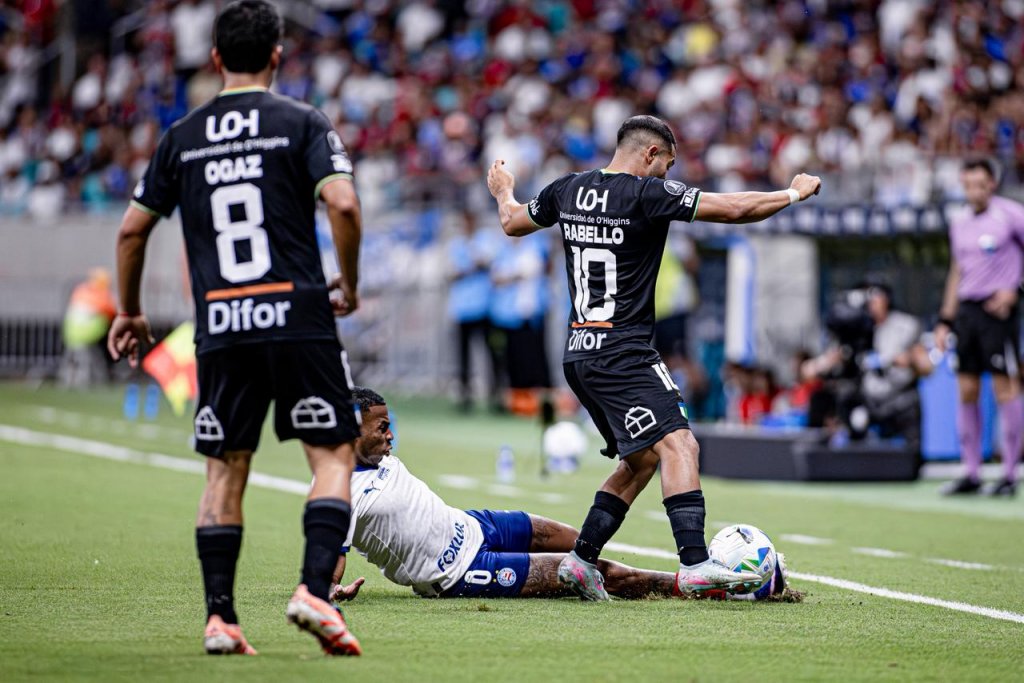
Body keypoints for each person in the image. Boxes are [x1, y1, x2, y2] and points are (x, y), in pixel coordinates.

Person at [106, 1, 363, 656]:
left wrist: (130, 311)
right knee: (332, 454)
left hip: (221, 321)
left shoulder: (182, 135)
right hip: (297, 314)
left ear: (215, 58)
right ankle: (312, 589)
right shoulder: (302, 121)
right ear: (278, 55)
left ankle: (220, 618)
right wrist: (350, 282)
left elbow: (132, 228)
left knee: (225, 471)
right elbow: (343, 202)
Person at [486, 114, 821, 600]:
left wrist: (503, 188)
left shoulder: (566, 189)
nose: (668, 173)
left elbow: (512, 222)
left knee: (641, 459)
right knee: (680, 445)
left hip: (579, 353)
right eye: (667, 162)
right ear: (649, 154)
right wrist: (791, 194)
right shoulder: (646, 194)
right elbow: (733, 210)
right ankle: (695, 565)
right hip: (624, 350)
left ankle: (581, 560)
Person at [329, 388, 790, 601]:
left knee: (578, 542)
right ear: (352, 433)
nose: (391, 435)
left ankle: (689, 577)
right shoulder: (340, 491)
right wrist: (328, 588)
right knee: (582, 573)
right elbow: (331, 549)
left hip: (472, 523)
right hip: (459, 570)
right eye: (381, 427)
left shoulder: (378, 458)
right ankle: (707, 589)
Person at [935, 158, 1024, 497]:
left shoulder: (1011, 215)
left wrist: (1015, 291)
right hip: (967, 313)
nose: (974, 191)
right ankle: (971, 473)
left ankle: (1009, 474)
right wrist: (945, 319)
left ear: (992, 184)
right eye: (968, 184)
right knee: (967, 390)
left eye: (980, 184)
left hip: (997, 314)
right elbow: (957, 272)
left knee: (1005, 389)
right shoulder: (958, 222)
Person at [803, 283, 928, 449]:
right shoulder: (854, 330)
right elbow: (808, 371)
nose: (871, 301)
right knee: (831, 398)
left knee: (909, 403)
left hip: (898, 396)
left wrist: (905, 360)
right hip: (866, 400)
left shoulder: (905, 326)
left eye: (875, 295)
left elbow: (927, 367)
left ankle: (911, 454)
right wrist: (830, 362)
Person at [447, 210, 501, 413]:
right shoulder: (456, 244)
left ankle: (495, 395)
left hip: (484, 307)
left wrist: (468, 267)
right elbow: (452, 272)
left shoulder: (484, 240)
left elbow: (486, 262)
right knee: (463, 357)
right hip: (462, 308)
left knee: (492, 355)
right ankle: (464, 395)